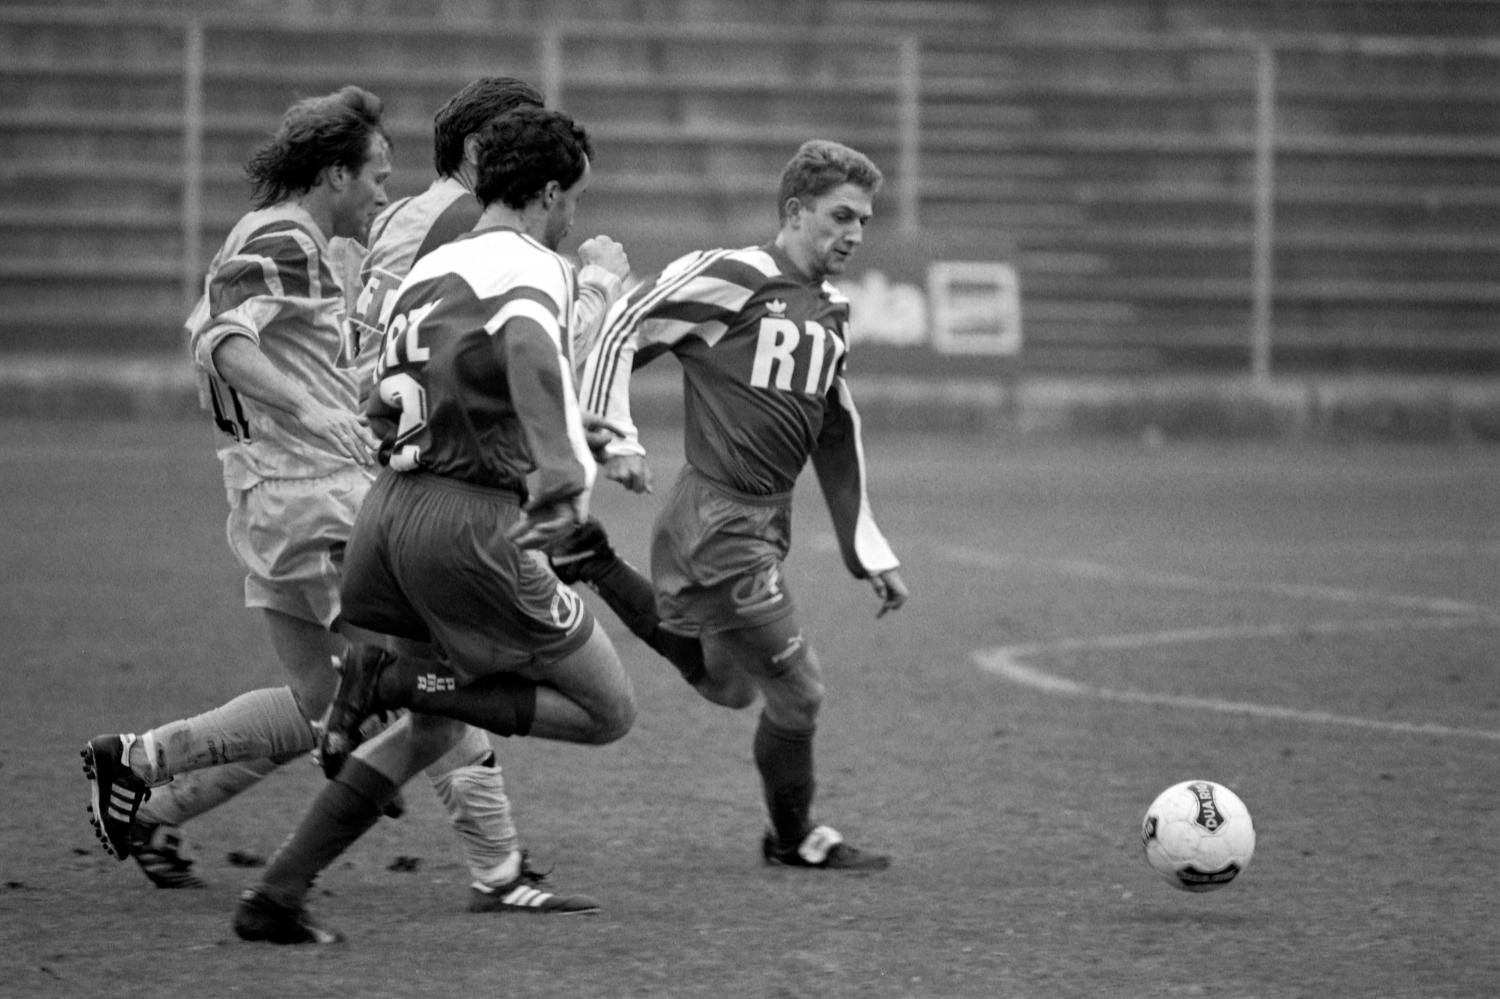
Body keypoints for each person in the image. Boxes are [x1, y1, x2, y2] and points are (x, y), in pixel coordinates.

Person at [80, 85, 593, 913]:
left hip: (269, 495)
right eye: (375, 176)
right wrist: (315, 409)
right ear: (332, 174)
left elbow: (238, 334)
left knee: (330, 707)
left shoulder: (282, 241)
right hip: (317, 493)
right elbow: (222, 339)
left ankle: (142, 767)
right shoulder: (283, 235)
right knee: (434, 676)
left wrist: (336, 392)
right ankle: (500, 870)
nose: (384, 192)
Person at [232, 105, 636, 945]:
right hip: (472, 525)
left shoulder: (434, 267)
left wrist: (533, 426)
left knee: (434, 730)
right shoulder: (537, 267)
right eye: (574, 204)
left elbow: (385, 394)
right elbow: (529, 349)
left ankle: (277, 894)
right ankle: (397, 680)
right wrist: (563, 477)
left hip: (388, 510)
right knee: (608, 709)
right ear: (551, 193)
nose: (574, 222)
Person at [576, 139, 910, 871]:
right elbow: (624, 322)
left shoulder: (829, 309)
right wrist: (613, 434)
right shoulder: (735, 275)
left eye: (864, 220)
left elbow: (834, 423)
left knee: (729, 686)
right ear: (795, 211)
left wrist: (867, 550)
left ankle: (596, 562)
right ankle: (795, 839)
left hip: (757, 521)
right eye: (841, 216)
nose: (854, 233)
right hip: (720, 522)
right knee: (799, 693)